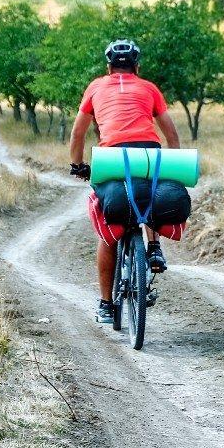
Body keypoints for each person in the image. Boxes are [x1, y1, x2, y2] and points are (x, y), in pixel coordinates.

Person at [69, 39, 181, 324]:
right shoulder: (149, 88)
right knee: (151, 192)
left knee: (109, 228)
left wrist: (78, 165)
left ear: (109, 67)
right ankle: (154, 248)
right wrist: (172, 164)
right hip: (148, 152)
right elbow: (171, 133)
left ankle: (106, 305)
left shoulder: (96, 87)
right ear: (137, 66)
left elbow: (78, 133)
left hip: (112, 157)